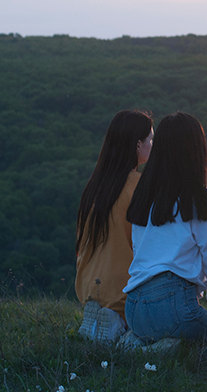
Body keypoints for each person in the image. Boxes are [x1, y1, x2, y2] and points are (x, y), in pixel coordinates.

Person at [123, 112, 207, 347]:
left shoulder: (144, 196)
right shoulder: (199, 199)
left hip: (134, 308)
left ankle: (142, 344)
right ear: (197, 149)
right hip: (173, 305)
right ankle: (171, 347)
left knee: (190, 332)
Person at [75, 109, 153, 342]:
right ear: (138, 145)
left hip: (87, 286)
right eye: (151, 140)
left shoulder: (94, 186)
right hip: (123, 290)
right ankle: (119, 321)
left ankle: (100, 313)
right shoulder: (139, 186)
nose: (153, 145)